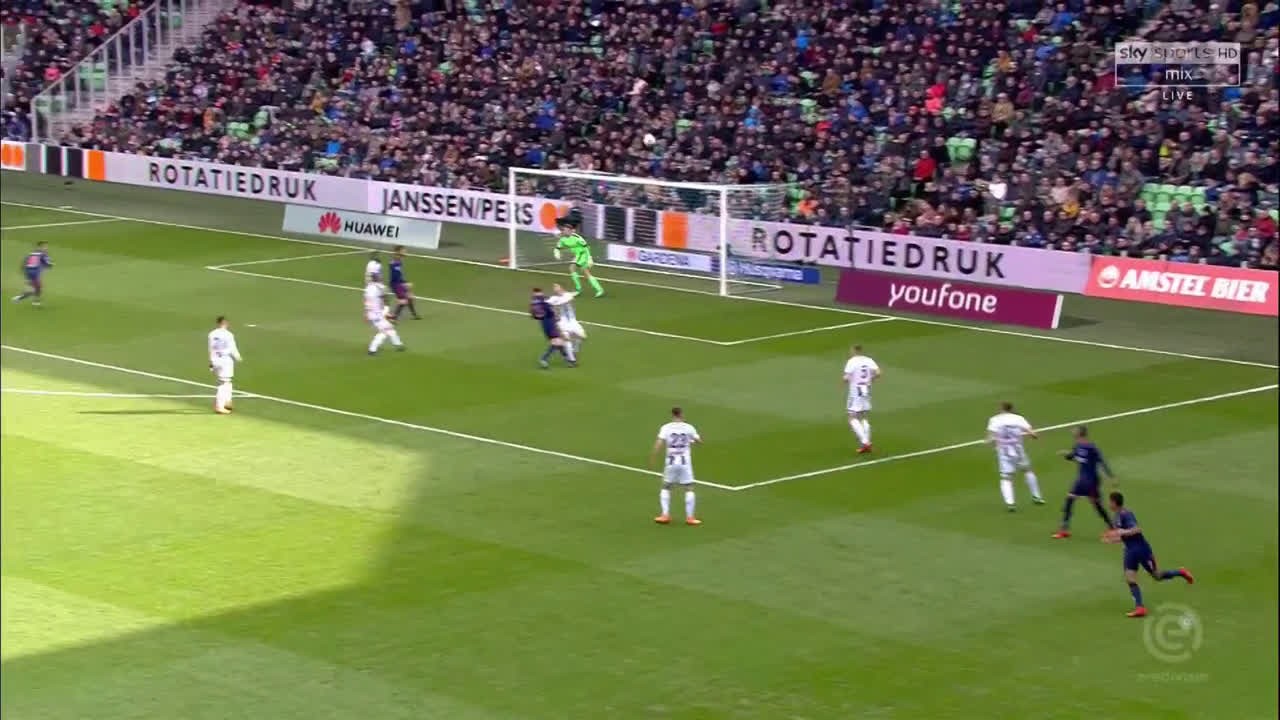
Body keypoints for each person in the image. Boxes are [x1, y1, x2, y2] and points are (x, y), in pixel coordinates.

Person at [1104, 492, 1194, 617]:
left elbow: (1136, 529)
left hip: (1142, 550)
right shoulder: (1116, 517)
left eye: (1110, 501)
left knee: (1157, 576)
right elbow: (1124, 536)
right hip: (1130, 551)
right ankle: (1140, 607)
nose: (1108, 504)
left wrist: (1121, 532)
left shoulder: (1126, 514)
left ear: (1114, 502)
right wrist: (1112, 539)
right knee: (1130, 578)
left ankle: (1181, 572)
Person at [1053, 426, 1114, 538]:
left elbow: (1102, 461)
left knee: (1095, 504)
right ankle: (1064, 530)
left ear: (1080, 433)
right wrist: (1065, 454)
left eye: (1075, 430)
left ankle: (1112, 528)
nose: (1073, 431)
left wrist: (1110, 477)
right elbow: (1074, 457)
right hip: (1082, 479)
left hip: (1091, 480)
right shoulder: (1077, 446)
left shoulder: (1091, 447)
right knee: (1070, 500)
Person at [985, 402, 1044, 510]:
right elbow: (1033, 433)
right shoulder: (1018, 418)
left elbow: (990, 437)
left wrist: (990, 442)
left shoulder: (994, 419)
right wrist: (1033, 435)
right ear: (1011, 409)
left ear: (1001, 409)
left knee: (1006, 477)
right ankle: (1037, 496)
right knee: (1027, 471)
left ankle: (1010, 503)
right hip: (1018, 450)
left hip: (1004, 451)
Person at [650, 407, 702, 525]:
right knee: (689, 488)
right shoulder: (689, 428)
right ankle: (690, 517)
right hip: (685, 463)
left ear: (672, 415)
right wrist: (691, 440)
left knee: (666, 487)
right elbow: (699, 441)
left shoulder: (666, 427)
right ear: (682, 415)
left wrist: (653, 456)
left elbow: (659, 443)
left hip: (671, 462)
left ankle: (665, 515)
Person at [842, 344, 881, 454]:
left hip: (856, 391)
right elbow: (878, 373)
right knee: (864, 416)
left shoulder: (852, 361)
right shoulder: (868, 360)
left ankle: (865, 442)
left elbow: (846, 377)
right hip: (866, 389)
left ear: (854, 351)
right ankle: (867, 444)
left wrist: (844, 382)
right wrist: (871, 379)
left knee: (852, 417)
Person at [553, 218, 604, 298]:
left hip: (583, 254)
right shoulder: (563, 239)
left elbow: (586, 247)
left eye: (566, 230)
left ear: (571, 231)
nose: (565, 231)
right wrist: (557, 253)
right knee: (586, 273)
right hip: (577, 255)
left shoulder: (577, 237)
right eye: (564, 230)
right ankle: (599, 290)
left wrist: (590, 258)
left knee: (572, 268)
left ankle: (579, 289)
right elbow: (558, 247)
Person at [530, 287, 575, 368]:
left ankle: (568, 360)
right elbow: (551, 311)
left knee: (559, 343)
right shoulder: (542, 303)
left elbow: (534, 314)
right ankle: (544, 359)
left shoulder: (537, 302)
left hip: (549, 323)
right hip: (549, 324)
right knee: (558, 342)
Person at [207, 315, 242, 415]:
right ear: (226, 323)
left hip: (215, 360)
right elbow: (232, 348)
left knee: (227, 382)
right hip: (225, 361)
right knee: (223, 383)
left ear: (217, 323)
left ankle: (228, 402)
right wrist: (238, 357)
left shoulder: (211, 334)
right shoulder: (229, 335)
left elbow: (210, 349)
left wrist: (211, 362)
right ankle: (219, 406)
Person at [364, 273, 405, 355]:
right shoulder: (380, 287)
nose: (381, 278)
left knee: (390, 328)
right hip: (377, 314)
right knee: (384, 332)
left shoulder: (368, 287)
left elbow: (367, 301)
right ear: (378, 278)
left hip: (372, 313)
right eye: (380, 277)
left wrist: (366, 313)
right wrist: (387, 311)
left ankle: (398, 344)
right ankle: (372, 349)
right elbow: (385, 298)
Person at [546, 282, 586, 354]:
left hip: (572, 321)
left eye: (557, 287)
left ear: (561, 288)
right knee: (567, 338)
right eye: (554, 288)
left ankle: (574, 348)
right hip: (563, 322)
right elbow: (546, 303)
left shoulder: (567, 295)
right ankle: (568, 352)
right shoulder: (554, 298)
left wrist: (556, 304)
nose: (555, 289)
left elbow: (569, 300)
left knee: (583, 337)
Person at [12, 240, 52, 306]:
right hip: (34, 273)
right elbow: (48, 264)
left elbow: (24, 262)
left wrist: (23, 270)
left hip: (28, 272)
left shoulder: (31, 253)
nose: (46, 248)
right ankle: (22, 299)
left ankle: (32, 301)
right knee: (35, 289)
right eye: (45, 246)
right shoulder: (43, 254)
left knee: (35, 288)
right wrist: (50, 264)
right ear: (40, 247)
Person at [388, 246, 421, 320]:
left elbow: (399, 275)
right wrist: (404, 284)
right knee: (403, 301)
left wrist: (405, 282)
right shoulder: (395, 262)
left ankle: (414, 315)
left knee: (410, 297)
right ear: (398, 251)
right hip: (395, 284)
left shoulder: (398, 261)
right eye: (403, 251)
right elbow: (395, 276)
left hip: (399, 282)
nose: (405, 252)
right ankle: (394, 316)